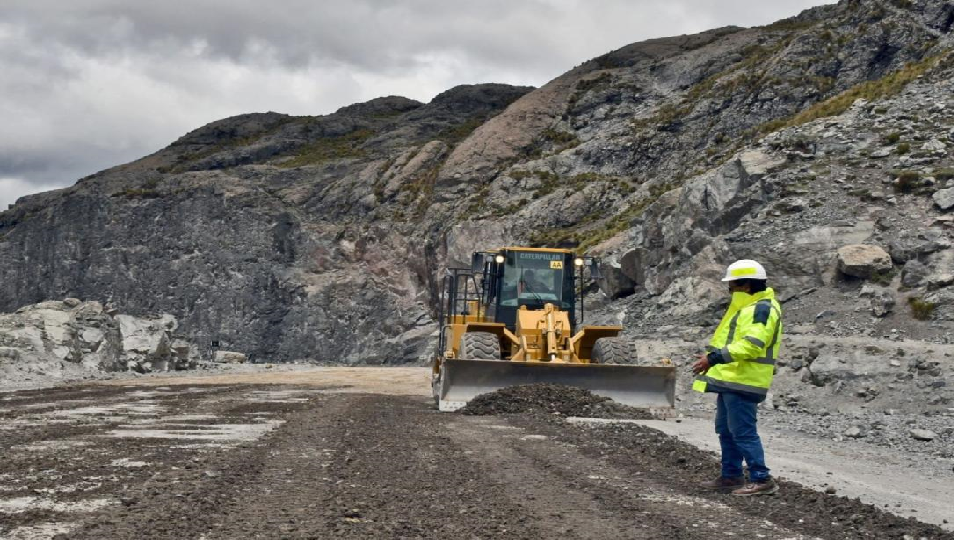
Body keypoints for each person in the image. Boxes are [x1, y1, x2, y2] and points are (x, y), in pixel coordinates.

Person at [692, 259, 783, 496]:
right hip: (732, 379)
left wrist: (713, 359)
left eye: (732, 285)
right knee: (726, 430)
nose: (729, 289)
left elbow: (752, 345)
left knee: (742, 431)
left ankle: (762, 479)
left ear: (746, 284)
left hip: (745, 380)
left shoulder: (761, 309)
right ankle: (730, 476)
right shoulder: (747, 307)